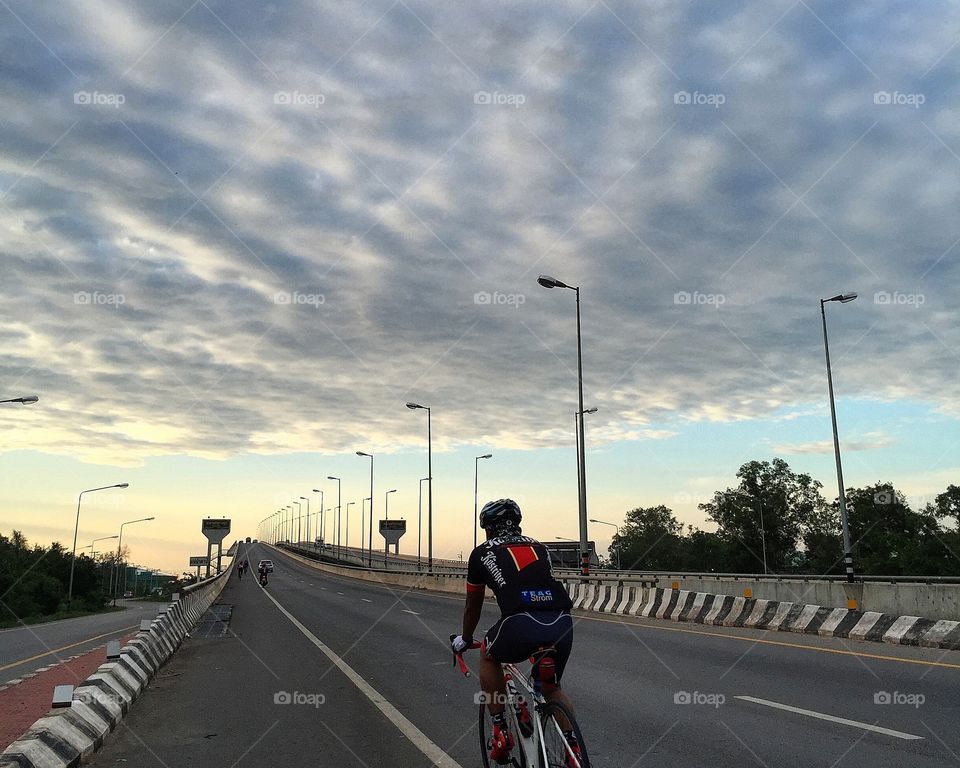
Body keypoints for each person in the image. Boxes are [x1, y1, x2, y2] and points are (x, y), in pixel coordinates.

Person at [451, 498, 580, 765]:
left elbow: (472, 607)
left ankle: (500, 730)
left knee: (488, 653)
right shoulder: (540, 547)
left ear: (488, 528)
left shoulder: (481, 553)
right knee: (551, 687)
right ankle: (573, 749)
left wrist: (465, 638)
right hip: (561, 623)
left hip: (520, 623)